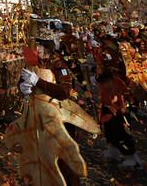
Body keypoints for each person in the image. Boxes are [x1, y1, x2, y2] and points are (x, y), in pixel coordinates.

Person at [18, 28, 86, 186]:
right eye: (36, 47)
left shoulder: (60, 64)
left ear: (48, 47)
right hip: (39, 119)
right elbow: (24, 80)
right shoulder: (33, 63)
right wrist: (22, 87)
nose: (37, 50)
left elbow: (64, 91)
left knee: (63, 161)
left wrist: (38, 82)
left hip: (59, 119)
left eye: (40, 47)